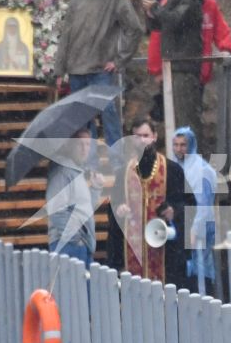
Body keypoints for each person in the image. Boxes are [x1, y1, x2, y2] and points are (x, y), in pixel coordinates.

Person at [51, 0, 143, 145]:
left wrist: (120, 60)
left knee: (108, 114)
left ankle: (119, 163)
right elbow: (66, 36)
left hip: (100, 68)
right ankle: (89, 166)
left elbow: (134, 28)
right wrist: (59, 69)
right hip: (76, 69)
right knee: (83, 122)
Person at [118, 118, 194, 285]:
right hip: (133, 250)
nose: (142, 140)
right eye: (137, 137)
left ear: (154, 137)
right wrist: (119, 210)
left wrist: (174, 212)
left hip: (166, 254)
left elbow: (190, 205)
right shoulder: (123, 172)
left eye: (146, 135)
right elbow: (114, 210)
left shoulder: (172, 170)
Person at [143, 0, 207, 133]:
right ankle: (179, 157)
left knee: (187, 121)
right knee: (176, 120)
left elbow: (175, 19)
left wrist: (156, 8)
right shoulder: (175, 0)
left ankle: (193, 157)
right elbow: (160, 25)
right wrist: (150, 14)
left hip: (184, 67)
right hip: (173, 67)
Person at [45, 119, 101, 263]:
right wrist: (75, 238)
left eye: (87, 144)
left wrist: (95, 188)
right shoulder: (62, 172)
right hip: (68, 246)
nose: (84, 149)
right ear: (71, 146)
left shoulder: (76, 172)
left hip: (83, 244)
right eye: (80, 144)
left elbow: (85, 211)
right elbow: (56, 209)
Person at [172, 126, 219, 292]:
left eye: (183, 145)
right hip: (180, 227)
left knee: (201, 271)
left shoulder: (201, 170)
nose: (179, 149)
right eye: (176, 144)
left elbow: (204, 205)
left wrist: (195, 230)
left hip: (199, 230)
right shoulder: (174, 167)